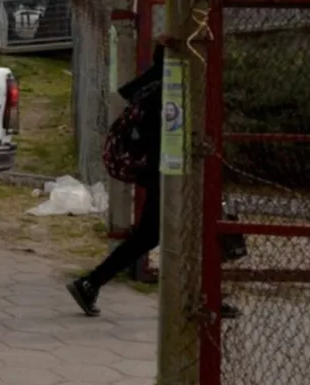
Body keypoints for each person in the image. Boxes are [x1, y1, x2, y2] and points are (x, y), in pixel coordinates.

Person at [66, 43, 241, 319]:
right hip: (174, 175)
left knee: (150, 235)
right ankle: (205, 298)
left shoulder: (152, 87)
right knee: (202, 230)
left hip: (163, 174)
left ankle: (91, 283)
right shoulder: (171, 91)